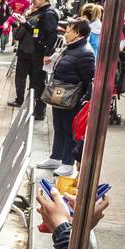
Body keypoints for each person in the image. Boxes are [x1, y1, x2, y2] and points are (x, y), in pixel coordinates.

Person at [38, 19, 95, 177]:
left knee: (69, 130)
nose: (65, 33)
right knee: (59, 127)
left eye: (68, 31)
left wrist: (84, 99)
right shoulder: (70, 48)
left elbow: (90, 79)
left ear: (77, 32)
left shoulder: (85, 52)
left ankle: (67, 163)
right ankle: (56, 157)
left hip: (72, 98)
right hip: (60, 95)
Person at [10, 0, 59, 119]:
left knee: (38, 82)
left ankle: (39, 111)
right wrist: (25, 23)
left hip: (42, 51)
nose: (33, 1)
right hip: (36, 50)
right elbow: (36, 32)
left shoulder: (49, 13)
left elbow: (52, 35)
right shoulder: (42, 13)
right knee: (35, 81)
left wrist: (47, 53)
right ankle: (35, 108)